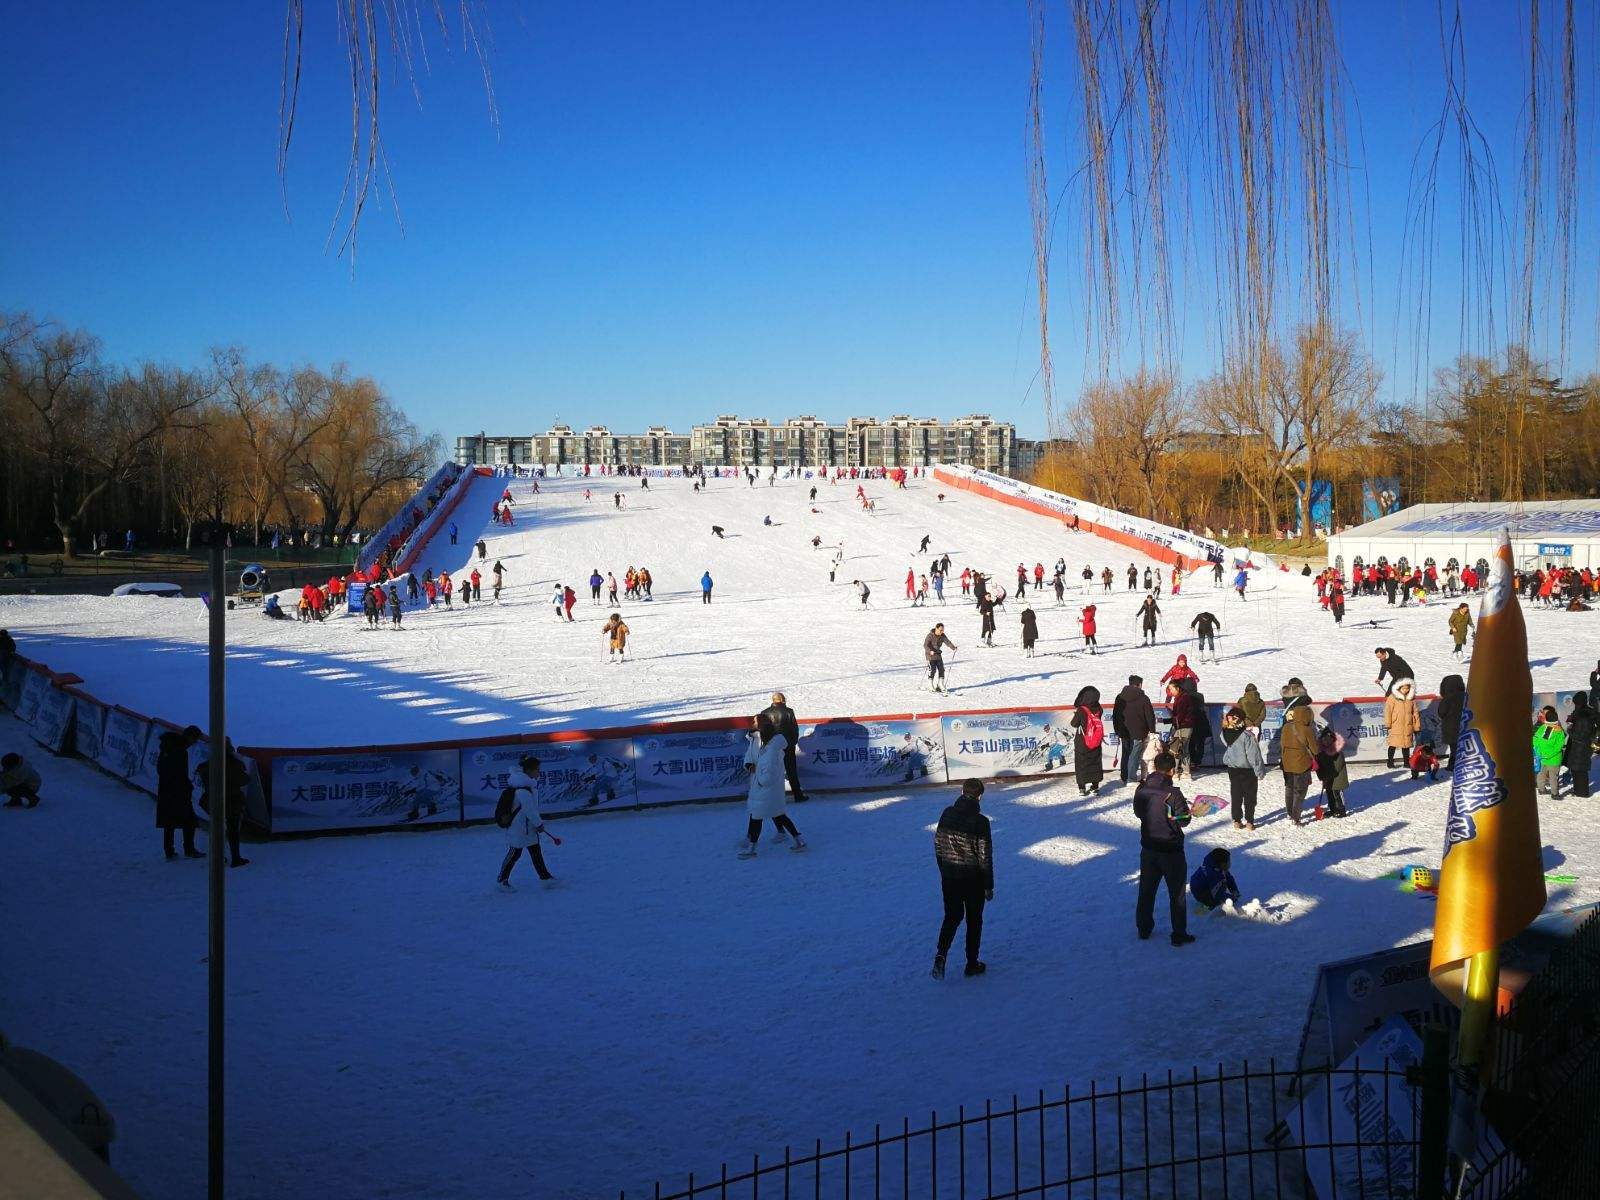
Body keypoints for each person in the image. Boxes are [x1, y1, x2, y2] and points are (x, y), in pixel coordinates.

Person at [931, 778, 993, 978]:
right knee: (974, 920)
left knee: (952, 916)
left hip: (950, 876)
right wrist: (988, 885)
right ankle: (972, 963)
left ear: (961, 791)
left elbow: (938, 845)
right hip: (972, 878)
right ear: (980, 796)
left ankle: (941, 954)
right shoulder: (981, 821)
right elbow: (985, 856)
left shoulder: (946, 813)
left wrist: (944, 869)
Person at [1133, 752, 1194, 946]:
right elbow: (1183, 820)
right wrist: (1190, 812)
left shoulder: (1141, 789)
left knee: (1146, 891)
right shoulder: (1173, 793)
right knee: (1176, 894)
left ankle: (1143, 929)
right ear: (1172, 770)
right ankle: (1178, 933)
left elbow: (1139, 812)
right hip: (1171, 849)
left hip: (1149, 848)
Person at [738, 713, 805, 858]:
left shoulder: (771, 749)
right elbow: (749, 758)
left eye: (755, 721)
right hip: (762, 787)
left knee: (757, 817)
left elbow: (769, 773)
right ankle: (798, 840)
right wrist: (750, 767)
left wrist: (761, 780)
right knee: (779, 815)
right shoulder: (756, 741)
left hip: (765, 788)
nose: (752, 723)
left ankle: (751, 848)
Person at [497, 755, 555, 889]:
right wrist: (539, 824)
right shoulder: (523, 790)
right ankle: (501, 880)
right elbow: (530, 810)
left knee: (535, 852)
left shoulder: (524, 786)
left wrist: (536, 824)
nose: (539, 772)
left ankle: (545, 877)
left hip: (527, 828)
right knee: (514, 853)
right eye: (537, 769)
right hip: (520, 828)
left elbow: (530, 811)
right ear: (529, 770)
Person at [196, 738, 250, 868]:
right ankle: (235, 857)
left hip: (213, 801)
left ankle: (218, 857)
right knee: (232, 831)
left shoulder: (206, 765)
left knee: (217, 829)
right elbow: (244, 780)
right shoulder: (234, 764)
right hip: (232, 801)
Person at [155, 725, 204, 857]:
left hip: (166, 790)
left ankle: (169, 850)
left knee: (169, 821)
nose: (196, 742)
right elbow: (180, 773)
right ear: (190, 737)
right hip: (178, 792)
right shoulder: (181, 751)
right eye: (196, 739)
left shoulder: (167, 747)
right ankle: (189, 849)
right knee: (190, 821)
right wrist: (187, 786)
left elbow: (160, 768)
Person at [1219, 706, 1265, 828]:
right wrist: (1259, 771)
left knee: (1236, 795)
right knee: (1250, 796)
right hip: (1248, 770)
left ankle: (1236, 820)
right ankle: (1249, 821)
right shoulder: (1246, 736)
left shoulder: (1224, 734)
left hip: (1232, 769)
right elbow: (1253, 755)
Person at [1279, 684, 1318, 825]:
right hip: (1302, 763)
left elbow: (1282, 744)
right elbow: (1315, 748)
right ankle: (1296, 817)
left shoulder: (1286, 725)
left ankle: (1289, 813)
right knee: (1300, 791)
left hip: (1287, 761)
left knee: (1289, 787)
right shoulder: (1307, 728)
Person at [760, 691, 808, 801]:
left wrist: (767, 745)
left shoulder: (765, 713)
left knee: (772, 771)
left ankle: (772, 796)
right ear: (782, 700)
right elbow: (794, 729)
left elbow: (763, 732)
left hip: (772, 747)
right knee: (791, 771)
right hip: (787, 745)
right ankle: (798, 795)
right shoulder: (789, 712)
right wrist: (792, 742)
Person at [1113, 675, 1156, 786]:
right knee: (1134, 754)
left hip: (1123, 730)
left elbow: (1116, 715)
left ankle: (1124, 776)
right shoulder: (1143, 698)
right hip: (1139, 730)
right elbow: (1149, 716)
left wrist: (1117, 730)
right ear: (1139, 684)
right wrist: (1152, 730)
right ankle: (1131, 778)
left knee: (1126, 753)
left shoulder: (1120, 697)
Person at [1070, 686, 1105, 796]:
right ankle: (1095, 787)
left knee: (1081, 763)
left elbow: (1074, 724)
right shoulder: (1099, 708)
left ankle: (1082, 788)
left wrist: (1076, 715)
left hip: (1082, 741)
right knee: (1095, 763)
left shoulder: (1082, 709)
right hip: (1096, 740)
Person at [1383, 679, 1421, 768]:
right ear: (1399, 688)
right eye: (1404, 688)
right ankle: (1390, 762)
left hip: (1408, 725)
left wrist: (1417, 726)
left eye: (1407, 688)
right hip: (1396, 724)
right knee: (1393, 744)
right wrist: (1388, 723)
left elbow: (1415, 713)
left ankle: (1406, 763)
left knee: (1406, 745)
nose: (1406, 690)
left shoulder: (1411, 698)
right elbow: (1388, 711)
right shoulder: (1392, 697)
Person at [1315, 727, 1350, 817]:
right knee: (1329, 793)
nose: (1326, 741)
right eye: (1323, 739)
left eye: (1328, 739)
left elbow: (1338, 766)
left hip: (1337, 777)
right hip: (1328, 777)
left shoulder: (1337, 751)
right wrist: (1322, 775)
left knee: (1337, 793)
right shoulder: (1322, 752)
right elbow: (1321, 766)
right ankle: (1333, 809)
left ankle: (1341, 810)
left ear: (1332, 739)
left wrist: (1328, 775)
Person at [1565, 692, 1595, 798]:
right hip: (1578, 745)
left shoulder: (1585, 715)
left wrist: (1570, 730)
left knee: (1580, 769)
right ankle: (1578, 790)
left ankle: (1582, 792)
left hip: (1582, 745)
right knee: (1575, 769)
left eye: (1576, 703)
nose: (1574, 705)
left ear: (1579, 703)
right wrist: (1571, 720)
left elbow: (1582, 734)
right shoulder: (1580, 712)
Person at [1533, 707, 1567, 798]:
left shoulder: (1542, 728)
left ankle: (1541, 789)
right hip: (1554, 759)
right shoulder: (1559, 731)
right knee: (1553, 777)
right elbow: (1559, 746)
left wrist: (1539, 752)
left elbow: (1535, 740)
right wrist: (1550, 754)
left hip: (1542, 758)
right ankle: (1554, 793)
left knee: (1541, 774)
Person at [1436, 674, 1465, 767]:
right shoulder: (1466, 696)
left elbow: (1441, 712)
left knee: (1454, 748)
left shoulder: (1448, 698)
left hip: (1451, 727)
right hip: (1464, 726)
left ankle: (1452, 766)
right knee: (1462, 747)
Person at [924, 623, 956, 694]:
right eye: (940, 630)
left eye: (943, 630)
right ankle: (930, 685)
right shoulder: (930, 635)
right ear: (936, 628)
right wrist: (930, 651)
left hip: (938, 654)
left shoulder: (942, 636)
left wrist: (953, 648)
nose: (942, 632)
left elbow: (947, 642)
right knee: (932, 670)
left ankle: (940, 685)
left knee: (941, 669)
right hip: (930, 655)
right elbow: (925, 645)